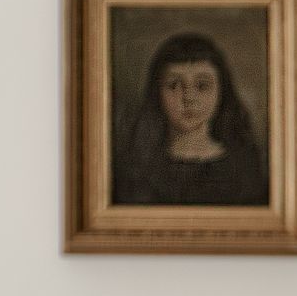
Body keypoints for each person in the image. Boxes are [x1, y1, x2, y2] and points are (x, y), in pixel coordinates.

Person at [112, 28, 268, 208]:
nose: (189, 98)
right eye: (174, 85)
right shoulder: (136, 169)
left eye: (202, 86)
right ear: (157, 94)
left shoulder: (244, 167)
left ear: (221, 93)